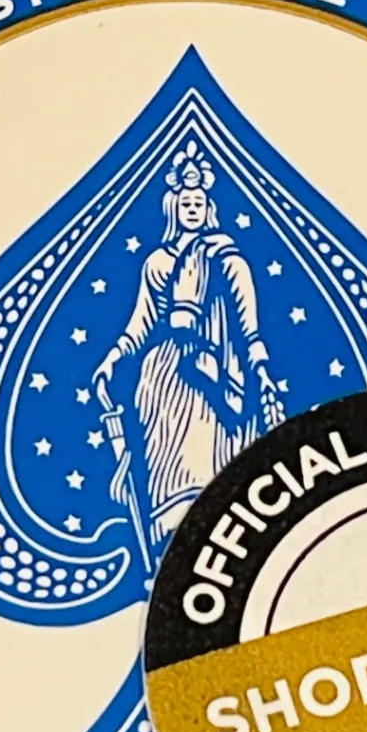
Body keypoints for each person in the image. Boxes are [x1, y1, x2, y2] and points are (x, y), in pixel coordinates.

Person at [92, 143, 283, 551]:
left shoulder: (228, 258)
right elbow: (140, 322)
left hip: (216, 373)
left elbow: (248, 322)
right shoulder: (157, 262)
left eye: (199, 203)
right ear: (173, 208)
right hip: (163, 376)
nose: (192, 209)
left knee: (213, 461)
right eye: (186, 203)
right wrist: (114, 356)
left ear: (208, 207)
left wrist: (260, 367)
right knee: (169, 463)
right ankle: (171, 538)